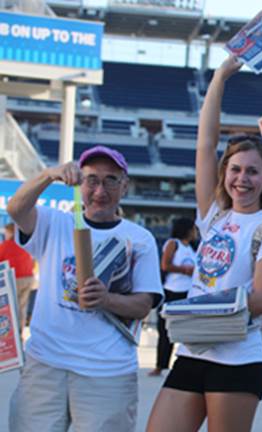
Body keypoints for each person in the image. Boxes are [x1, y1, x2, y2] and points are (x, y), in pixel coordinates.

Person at [146, 56, 262, 432]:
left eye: (253, 171)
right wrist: (221, 76)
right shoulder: (212, 217)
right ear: (225, 173)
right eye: (235, 169)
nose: (242, 179)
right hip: (193, 352)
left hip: (237, 360)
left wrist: (194, 311)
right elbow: (205, 144)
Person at [7, 146, 163, 431]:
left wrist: (106, 299)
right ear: (80, 184)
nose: (100, 190)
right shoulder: (54, 222)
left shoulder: (139, 239)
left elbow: (143, 305)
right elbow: (16, 208)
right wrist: (49, 175)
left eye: (110, 180)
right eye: (92, 180)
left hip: (107, 372)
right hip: (45, 364)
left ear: (124, 186)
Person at [148, 217, 197, 377]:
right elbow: (165, 265)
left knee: (187, 332)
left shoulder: (191, 247)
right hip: (171, 292)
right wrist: (185, 270)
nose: (195, 232)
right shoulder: (173, 243)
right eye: (193, 229)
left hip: (187, 293)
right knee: (165, 331)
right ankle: (160, 365)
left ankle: (185, 366)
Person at [0, 223, 35, 329]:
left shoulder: (6, 245)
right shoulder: (24, 244)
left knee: (9, 307)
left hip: (14, 278)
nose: (5, 234)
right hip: (28, 277)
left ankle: (10, 334)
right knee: (22, 307)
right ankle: (19, 332)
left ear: (10, 232)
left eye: (6, 232)